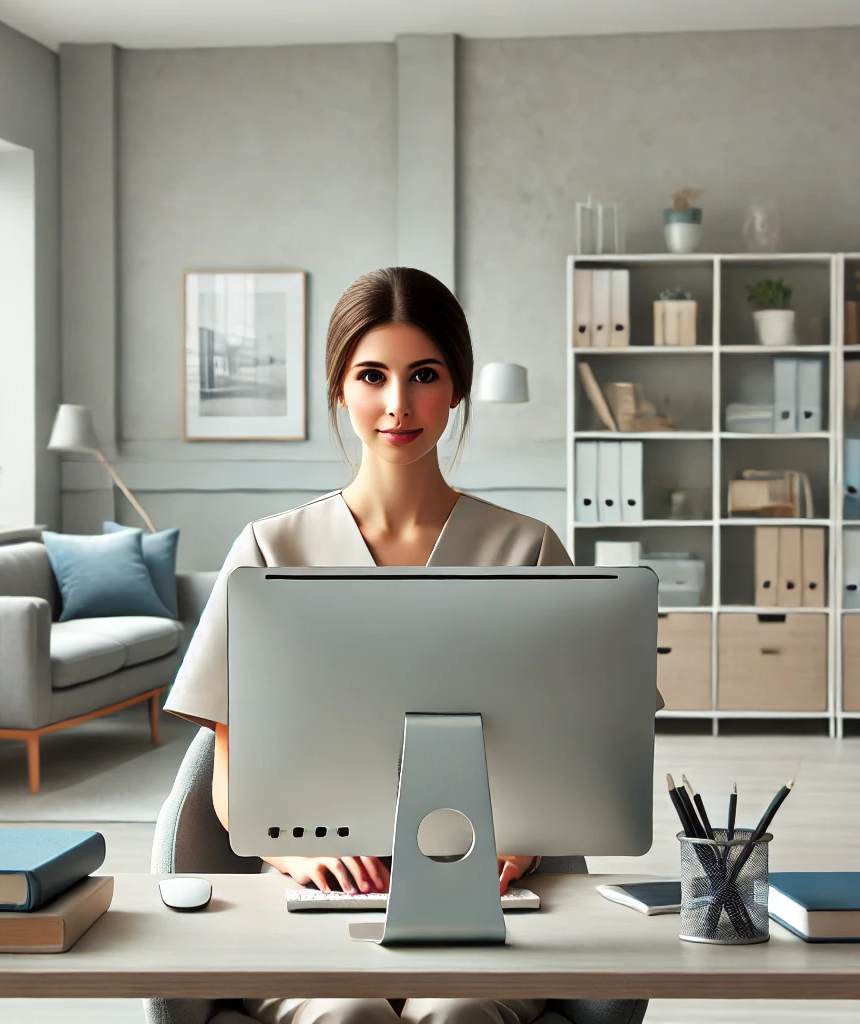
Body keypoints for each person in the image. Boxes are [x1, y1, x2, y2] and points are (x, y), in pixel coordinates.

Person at [164, 266, 663, 1024]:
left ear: (455, 387)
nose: (398, 405)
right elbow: (228, 773)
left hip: (490, 898)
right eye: (372, 376)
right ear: (340, 389)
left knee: (456, 1014)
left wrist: (523, 845)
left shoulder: (528, 548)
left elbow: (584, 748)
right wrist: (290, 853)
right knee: (347, 1018)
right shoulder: (268, 550)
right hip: (315, 893)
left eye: (423, 375)